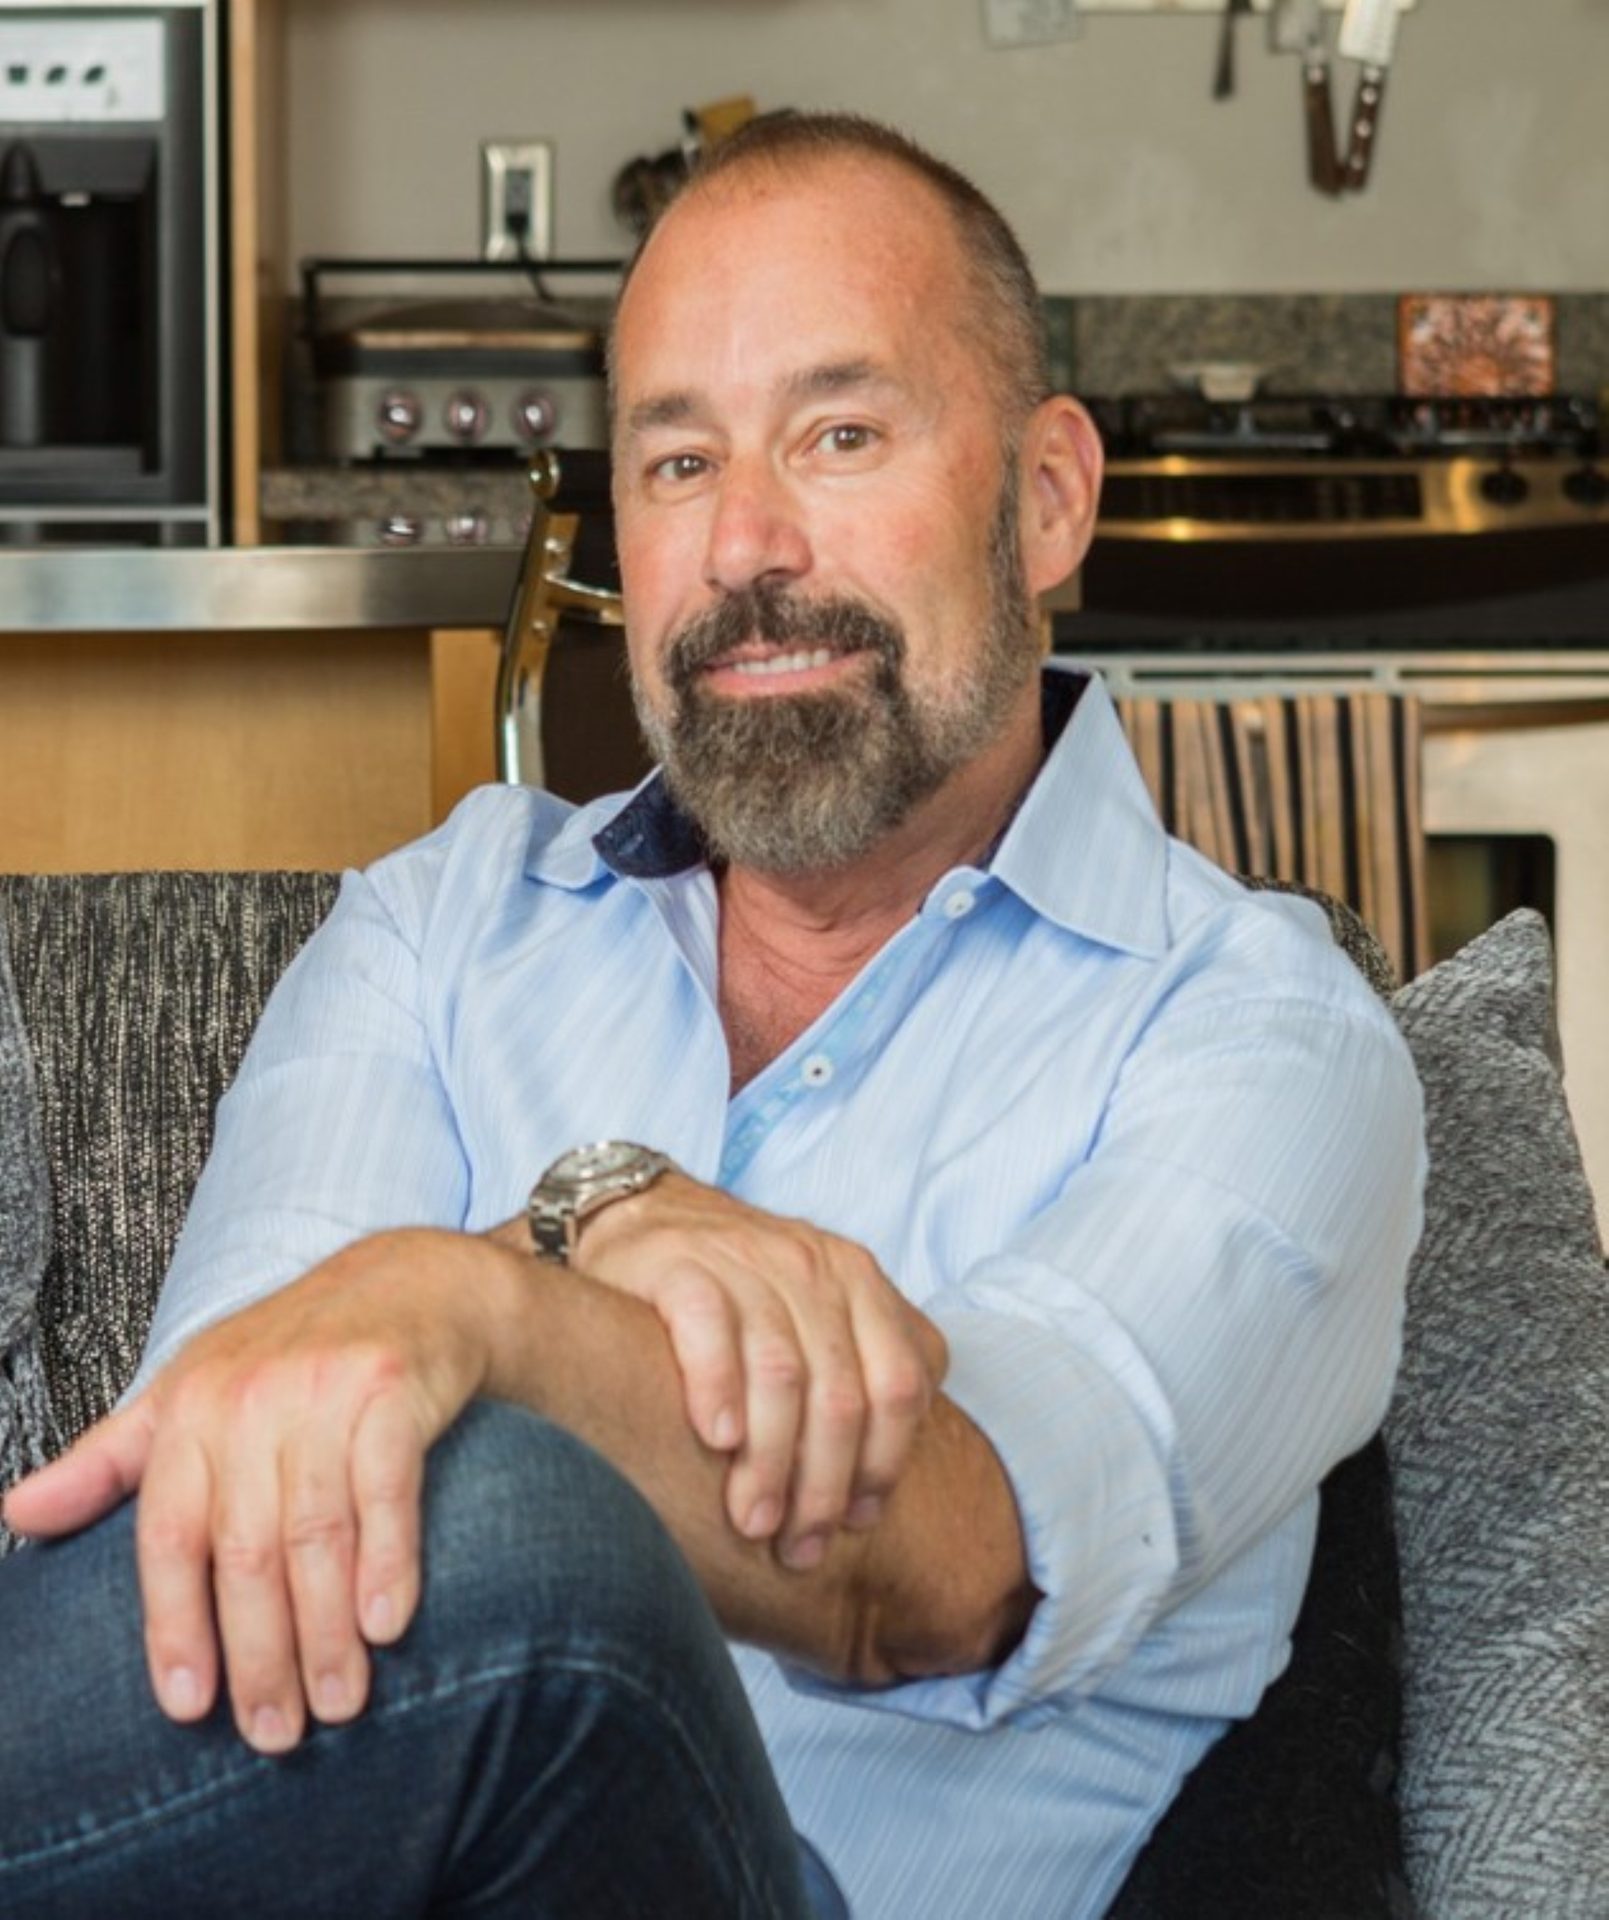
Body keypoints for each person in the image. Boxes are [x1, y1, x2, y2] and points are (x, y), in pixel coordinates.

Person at [0, 112, 1424, 1918]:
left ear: (1048, 495)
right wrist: (568, 1242)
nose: (745, 543)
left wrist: (477, 1312)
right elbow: (223, 1474)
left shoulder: (1259, 1035)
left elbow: (939, 1561)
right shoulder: (445, 924)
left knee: (530, 1556)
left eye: (840, 435)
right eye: (676, 462)